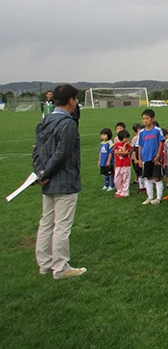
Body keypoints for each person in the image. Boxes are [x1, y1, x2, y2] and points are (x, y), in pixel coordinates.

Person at [33, 84, 86, 279]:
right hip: (64, 180)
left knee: (47, 222)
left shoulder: (45, 120)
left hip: (48, 181)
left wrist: (40, 171)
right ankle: (60, 268)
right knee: (61, 225)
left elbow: (36, 150)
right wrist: (45, 172)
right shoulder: (67, 123)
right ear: (71, 101)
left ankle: (45, 263)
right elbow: (62, 153)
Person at [137, 109, 165, 205]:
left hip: (155, 158)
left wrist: (158, 156)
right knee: (148, 177)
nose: (145, 121)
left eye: (147, 118)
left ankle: (159, 197)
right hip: (146, 158)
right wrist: (140, 159)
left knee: (157, 177)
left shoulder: (157, 130)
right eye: (143, 119)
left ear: (152, 119)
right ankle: (150, 196)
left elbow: (161, 143)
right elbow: (140, 146)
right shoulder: (141, 132)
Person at [112, 129, 132, 198]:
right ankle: (119, 190)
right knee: (117, 179)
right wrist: (123, 152)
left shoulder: (128, 146)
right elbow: (116, 152)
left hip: (126, 165)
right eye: (125, 138)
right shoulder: (116, 144)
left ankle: (125, 192)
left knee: (125, 178)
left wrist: (124, 146)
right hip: (118, 165)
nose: (127, 139)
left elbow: (125, 153)